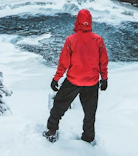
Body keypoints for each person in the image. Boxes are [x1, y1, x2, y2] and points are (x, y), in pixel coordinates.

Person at [43, 9, 109, 144]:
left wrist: (56, 78)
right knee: (90, 112)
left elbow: (64, 63)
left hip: (73, 81)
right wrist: (104, 78)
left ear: (77, 21)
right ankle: (88, 138)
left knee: (59, 105)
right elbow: (103, 61)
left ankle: (51, 131)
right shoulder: (98, 40)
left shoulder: (71, 40)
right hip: (91, 83)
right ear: (90, 22)